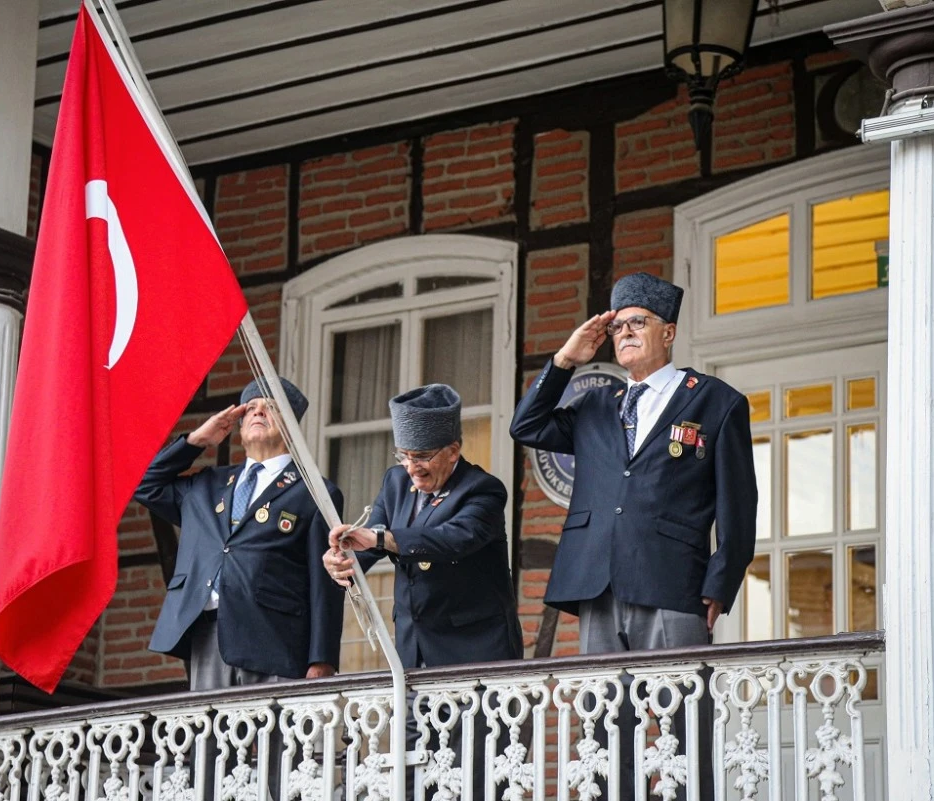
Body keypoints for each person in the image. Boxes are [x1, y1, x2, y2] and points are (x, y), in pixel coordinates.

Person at [509, 272, 756, 800]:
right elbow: (525, 426)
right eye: (617, 326)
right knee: (602, 726)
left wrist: (720, 584)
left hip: (673, 584)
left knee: (680, 724)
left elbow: (739, 507)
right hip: (597, 583)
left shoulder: (716, 402)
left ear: (668, 332)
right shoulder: (597, 404)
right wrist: (565, 360)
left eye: (637, 322)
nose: (624, 332)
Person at [323, 384, 522, 798]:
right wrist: (344, 561)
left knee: (476, 775)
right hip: (413, 657)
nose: (412, 467)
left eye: (423, 457)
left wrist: (382, 539)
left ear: (453, 450)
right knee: (417, 774)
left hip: (474, 656)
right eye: (404, 456)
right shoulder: (396, 482)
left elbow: (453, 539)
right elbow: (370, 542)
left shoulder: (483, 489)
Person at [136, 376, 345, 688]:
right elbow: (144, 485)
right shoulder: (207, 485)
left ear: (291, 426)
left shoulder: (314, 492)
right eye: (250, 408)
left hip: (277, 640)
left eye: (271, 407)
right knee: (210, 721)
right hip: (210, 635)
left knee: (273, 722)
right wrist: (196, 441)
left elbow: (325, 582)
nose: (258, 412)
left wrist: (322, 659)